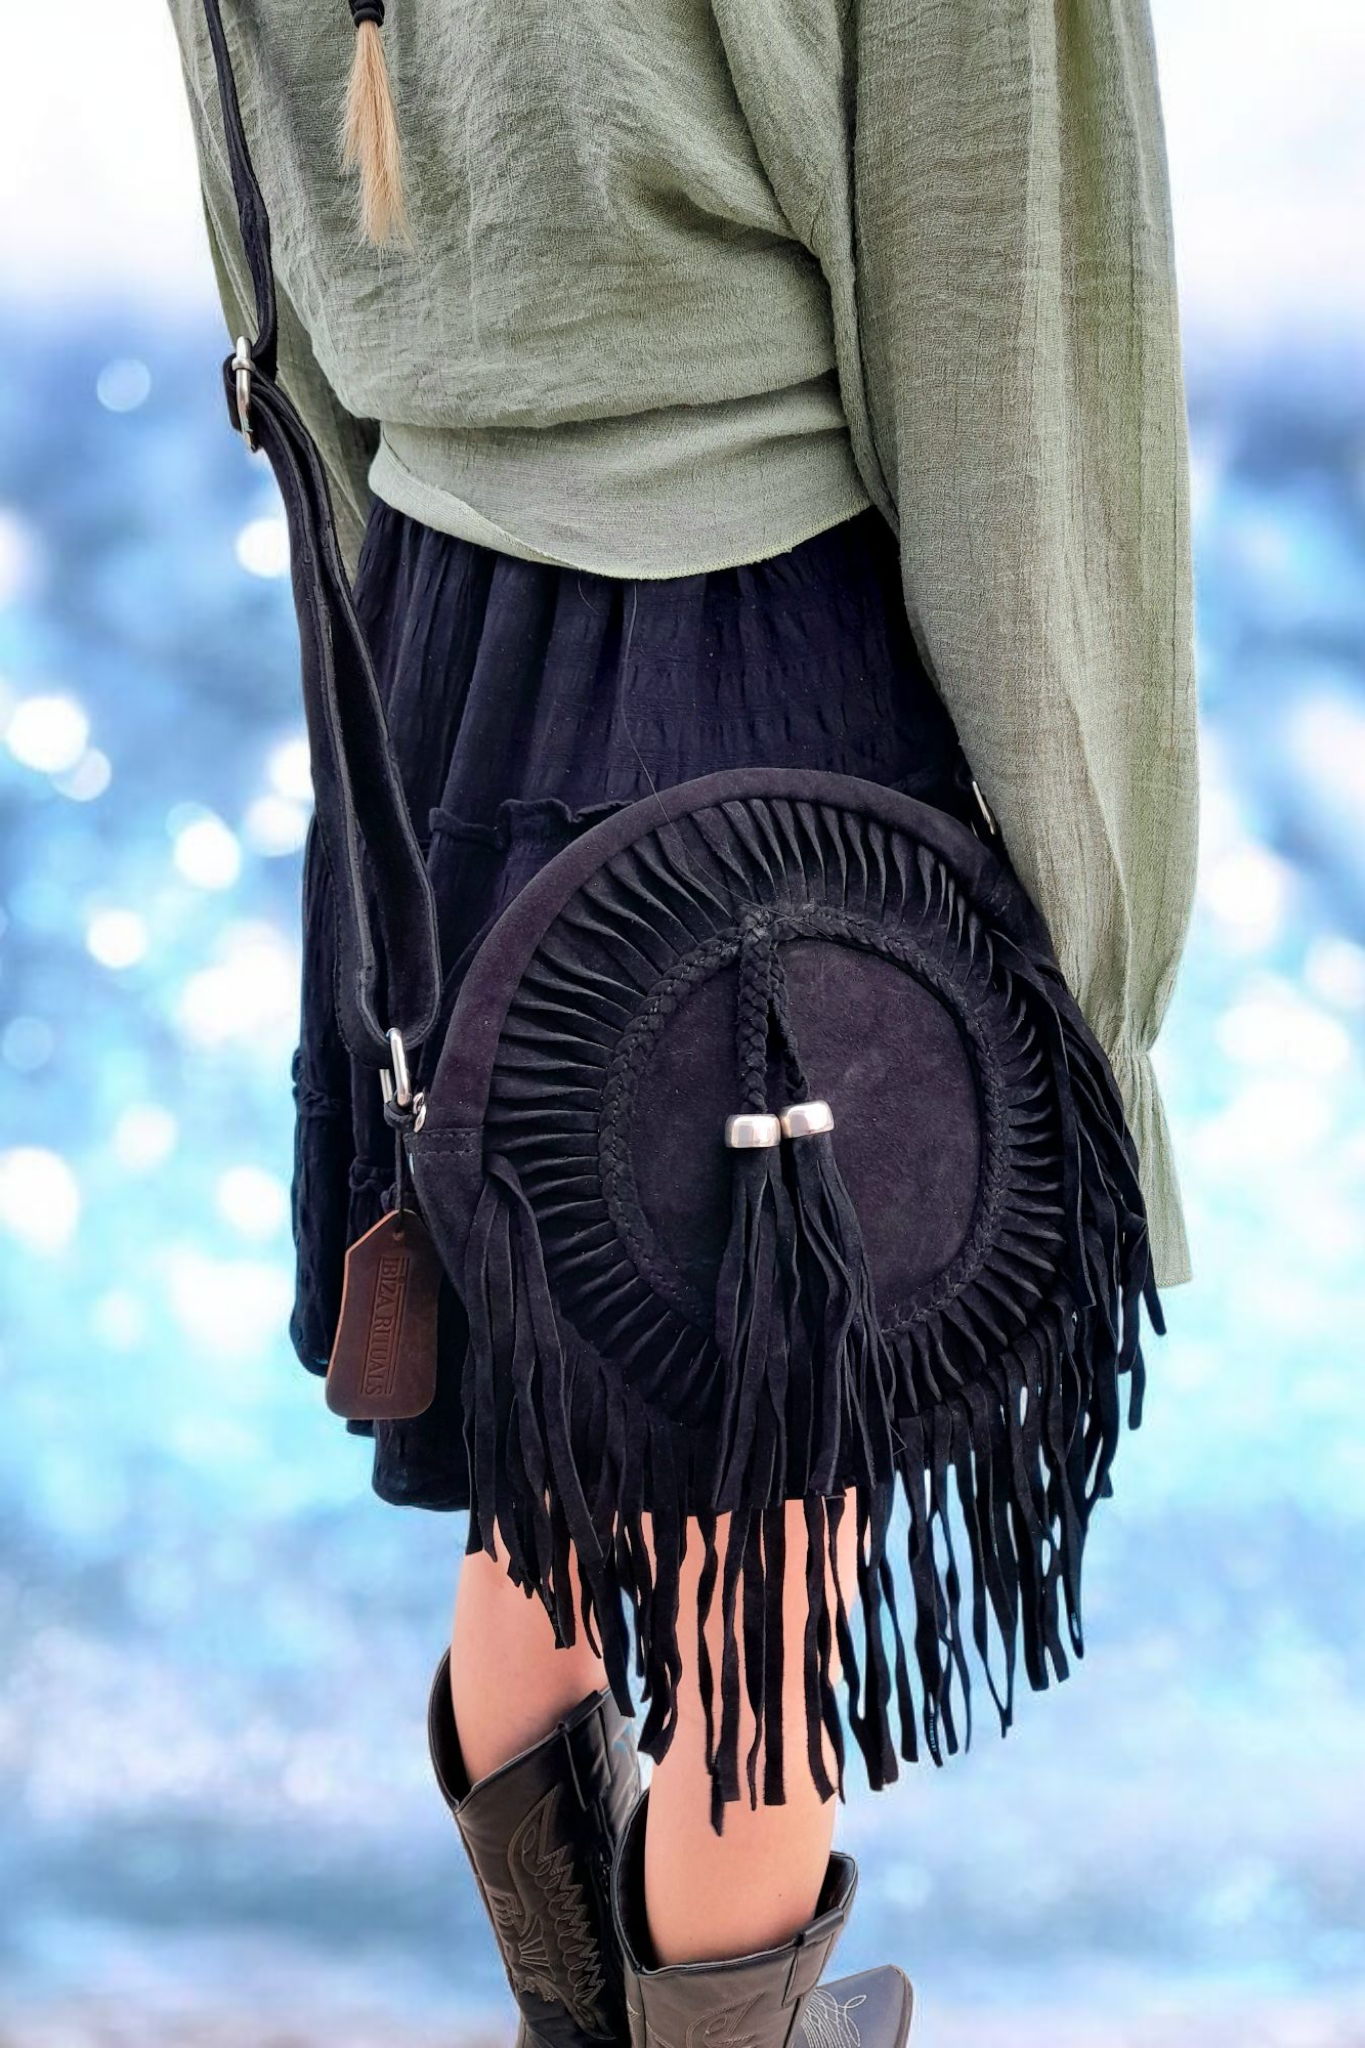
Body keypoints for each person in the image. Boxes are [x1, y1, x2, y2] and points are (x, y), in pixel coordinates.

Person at [166, 1, 1200, 2040]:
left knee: (538, 1476)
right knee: (764, 1578)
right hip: (774, 703)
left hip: (428, 671)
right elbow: (1013, 385)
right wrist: (1095, 1006)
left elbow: (271, 288)